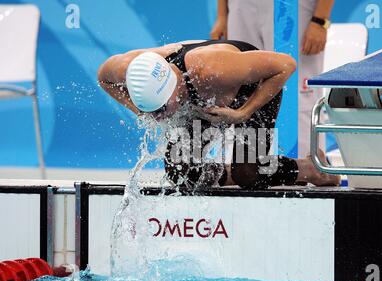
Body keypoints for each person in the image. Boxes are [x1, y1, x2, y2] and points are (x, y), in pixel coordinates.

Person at [98, 39, 340, 190]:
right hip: (202, 103)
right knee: (182, 175)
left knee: (251, 175)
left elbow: (285, 65)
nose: (157, 119)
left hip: (249, 92)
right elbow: (103, 77)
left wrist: (243, 113)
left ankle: (309, 168)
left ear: (174, 87)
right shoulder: (131, 69)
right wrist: (137, 109)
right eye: (150, 112)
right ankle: (236, 168)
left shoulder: (210, 69)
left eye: (160, 110)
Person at [210, 0, 335, 157]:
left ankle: (308, 166)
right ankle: (248, 168)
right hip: (242, 7)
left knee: (296, 92)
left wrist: (320, 20)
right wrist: (222, 15)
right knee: (244, 87)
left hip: (291, 7)